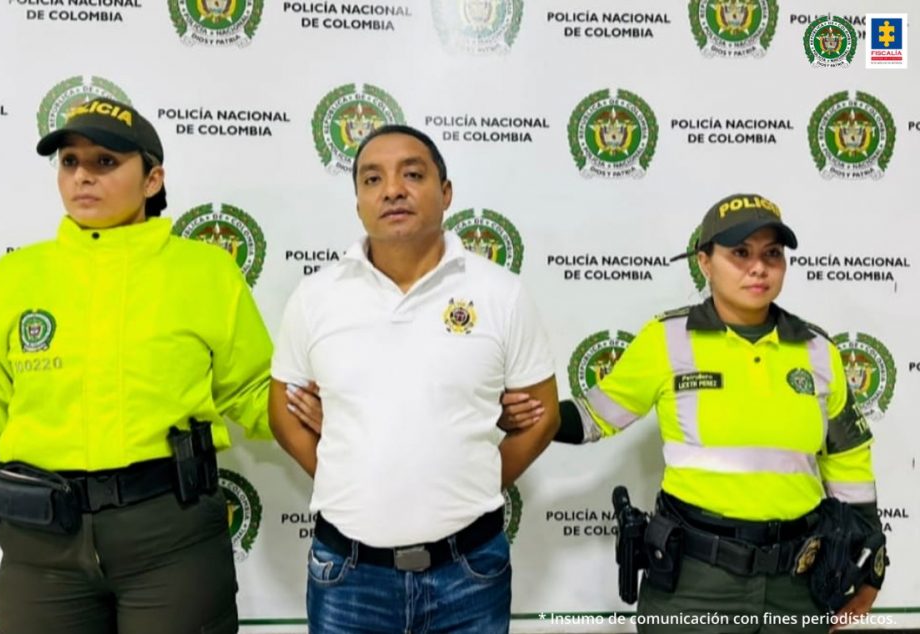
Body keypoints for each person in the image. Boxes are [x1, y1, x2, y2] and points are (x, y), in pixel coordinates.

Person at [504, 193, 886, 633]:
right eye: (739, 253)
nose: (758, 267)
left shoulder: (818, 350)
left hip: (796, 582)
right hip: (695, 581)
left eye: (772, 254)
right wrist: (524, 413)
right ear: (705, 262)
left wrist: (870, 563)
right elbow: (593, 418)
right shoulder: (667, 339)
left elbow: (849, 463)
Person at [0, 97, 272, 634]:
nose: (83, 176)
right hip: (42, 541)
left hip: (170, 533)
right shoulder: (17, 275)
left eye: (105, 162)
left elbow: (250, 390)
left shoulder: (206, 271)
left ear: (153, 179)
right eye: (69, 162)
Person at [269, 124, 561, 634]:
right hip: (347, 575)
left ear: (446, 193)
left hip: (470, 571)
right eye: (372, 179)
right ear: (357, 201)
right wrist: (347, 479)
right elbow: (283, 413)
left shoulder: (501, 294)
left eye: (413, 174)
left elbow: (542, 418)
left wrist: (470, 485)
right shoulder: (316, 298)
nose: (393, 190)